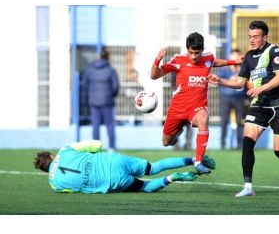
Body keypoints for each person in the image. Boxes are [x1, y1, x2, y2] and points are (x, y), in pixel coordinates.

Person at [208, 20, 279, 197]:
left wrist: (260, 88)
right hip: (259, 107)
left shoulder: (274, 51)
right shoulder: (248, 56)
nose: (252, 40)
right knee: (247, 142)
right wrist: (221, 81)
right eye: (250, 36)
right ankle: (248, 186)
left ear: (265, 37)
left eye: (256, 36)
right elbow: (240, 83)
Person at [151, 32, 242, 174]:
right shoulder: (178, 60)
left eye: (197, 53)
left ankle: (198, 161)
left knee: (203, 118)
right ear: (187, 49)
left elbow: (217, 62)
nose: (193, 56)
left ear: (203, 50)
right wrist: (157, 60)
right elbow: (154, 75)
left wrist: (235, 62)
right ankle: (178, 132)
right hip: (177, 109)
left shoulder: (208, 59)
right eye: (191, 52)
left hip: (196, 108)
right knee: (166, 142)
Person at [33, 140, 216, 193]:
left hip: (111, 181)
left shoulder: (54, 184)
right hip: (114, 161)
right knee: (153, 167)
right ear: (51, 155)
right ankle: (194, 159)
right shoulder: (65, 150)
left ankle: (172, 178)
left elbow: (74, 190)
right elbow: (97, 144)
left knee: (144, 187)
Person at [82, 47, 120, 150]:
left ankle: (95, 148)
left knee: (95, 125)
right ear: (107, 57)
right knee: (110, 125)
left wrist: (90, 97)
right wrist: (110, 96)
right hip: (107, 102)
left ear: (98, 57)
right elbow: (116, 87)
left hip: (94, 102)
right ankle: (112, 147)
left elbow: (85, 86)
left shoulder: (89, 70)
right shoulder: (111, 70)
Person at [218, 49, 250, 150]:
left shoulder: (243, 69)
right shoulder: (223, 69)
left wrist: (247, 97)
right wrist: (230, 80)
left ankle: (240, 145)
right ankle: (222, 144)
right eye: (233, 56)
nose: (235, 59)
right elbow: (218, 81)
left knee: (240, 122)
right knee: (224, 121)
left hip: (240, 98)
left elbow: (247, 85)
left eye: (237, 56)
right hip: (226, 98)